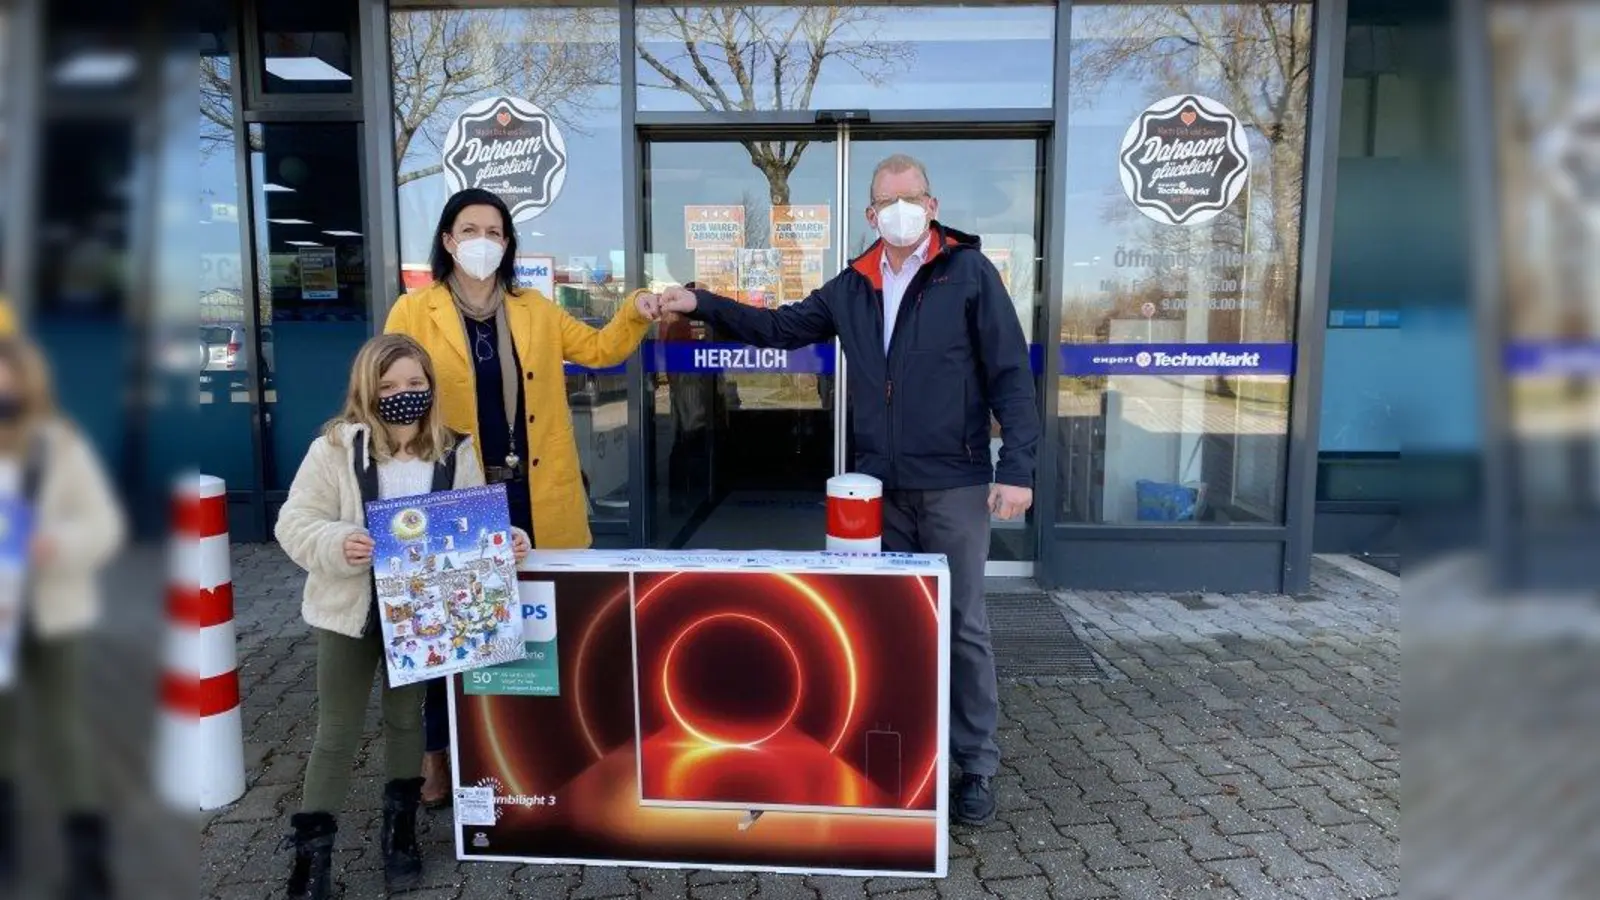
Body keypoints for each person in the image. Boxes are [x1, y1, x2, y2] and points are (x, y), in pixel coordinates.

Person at [655, 153, 1039, 826]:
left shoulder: (970, 274)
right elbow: (779, 328)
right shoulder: (854, 285)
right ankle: (895, 752)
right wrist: (700, 302)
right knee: (885, 625)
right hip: (878, 489)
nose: (900, 210)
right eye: (887, 202)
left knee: (962, 628)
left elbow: (1010, 372)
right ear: (870, 214)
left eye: (911, 198)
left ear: (932, 204)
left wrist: (1019, 470)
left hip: (954, 482)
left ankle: (975, 765)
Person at [384, 188, 658, 806]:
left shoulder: (534, 308)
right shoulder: (412, 311)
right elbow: (390, 389)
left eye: (496, 231)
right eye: (470, 229)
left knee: (539, 624)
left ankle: (530, 743)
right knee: (454, 631)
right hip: (458, 499)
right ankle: (438, 752)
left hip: (538, 491)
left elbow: (598, 350)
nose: (483, 240)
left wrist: (635, 311)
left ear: (507, 244)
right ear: (449, 241)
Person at [274, 334, 531, 899]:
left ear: (430, 387)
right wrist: (338, 541)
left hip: (420, 616)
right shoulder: (336, 449)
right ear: (367, 390)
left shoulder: (454, 449)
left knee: (406, 722)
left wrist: (508, 539)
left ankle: (401, 834)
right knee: (337, 732)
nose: (403, 395)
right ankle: (311, 859)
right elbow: (294, 521)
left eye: (415, 384)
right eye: (388, 386)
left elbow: (473, 521)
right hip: (350, 612)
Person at [0, 337, 124, 899]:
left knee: (61, 731)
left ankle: (87, 858)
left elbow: (102, 525)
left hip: (52, 610)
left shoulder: (57, 445)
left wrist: (58, 544)